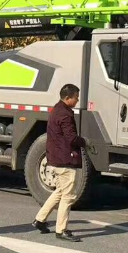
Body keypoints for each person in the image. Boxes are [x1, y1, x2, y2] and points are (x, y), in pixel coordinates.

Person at [32, 83, 85, 242]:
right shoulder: (65, 115)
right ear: (67, 98)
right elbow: (72, 138)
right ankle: (61, 230)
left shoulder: (56, 109)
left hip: (56, 158)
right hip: (65, 160)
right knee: (68, 195)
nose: (77, 100)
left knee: (60, 191)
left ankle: (40, 220)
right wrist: (85, 142)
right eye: (76, 97)